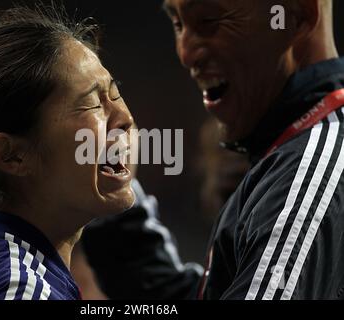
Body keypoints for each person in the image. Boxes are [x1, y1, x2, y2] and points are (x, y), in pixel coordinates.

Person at [82, 0, 344, 299]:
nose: (185, 53)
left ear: (294, 17)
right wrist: (111, 193)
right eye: (178, 24)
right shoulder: (294, 153)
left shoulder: (312, 170)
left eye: (209, 20)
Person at [0, 6, 135, 300]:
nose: (124, 117)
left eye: (114, 92)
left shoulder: (12, 266)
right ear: (12, 156)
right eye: (92, 103)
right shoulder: (17, 285)